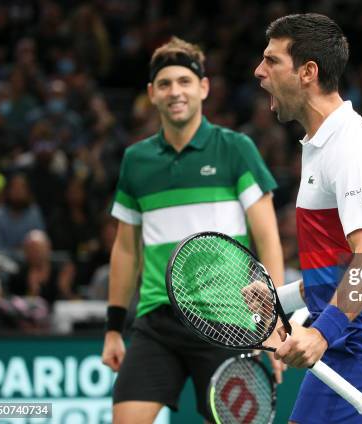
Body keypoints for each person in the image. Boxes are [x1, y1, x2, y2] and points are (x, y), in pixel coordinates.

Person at [101, 37, 285, 424]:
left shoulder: (236, 148)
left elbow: (267, 238)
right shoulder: (136, 161)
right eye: (165, 84)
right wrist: (114, 330)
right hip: (156, 321)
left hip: (228, 321)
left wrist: (275, 321)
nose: (175, 92)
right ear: (152, 94)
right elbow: (126, 249)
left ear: (203, 88)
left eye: (184, 81)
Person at [254, 14, 362, 424]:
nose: (259, 72)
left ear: (308, 72)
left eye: (272, 61)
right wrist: (281, 298)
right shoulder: (322, 144)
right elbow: (338, 269)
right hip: (361, 335)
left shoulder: (351, 149)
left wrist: (322, 333)